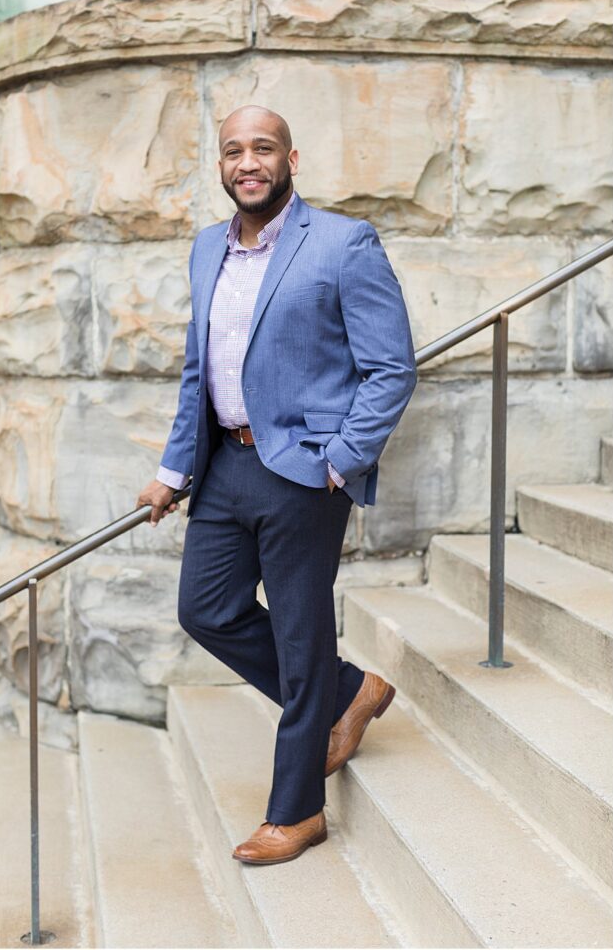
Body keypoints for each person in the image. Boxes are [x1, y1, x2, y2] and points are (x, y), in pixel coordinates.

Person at [136, 104, 418, 865]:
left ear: (292, 159)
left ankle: (297, 812)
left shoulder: (342, 243)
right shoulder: (206, 249)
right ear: (222, 166)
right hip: (223, 467)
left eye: (263, 148)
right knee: (207, 609)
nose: (247, 162)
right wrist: (172, 471)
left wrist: (339, 460)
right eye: (233, 151)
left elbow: (391, 367)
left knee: (300, 637)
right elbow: (201, 370)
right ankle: (348, 691)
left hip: (302, 471)